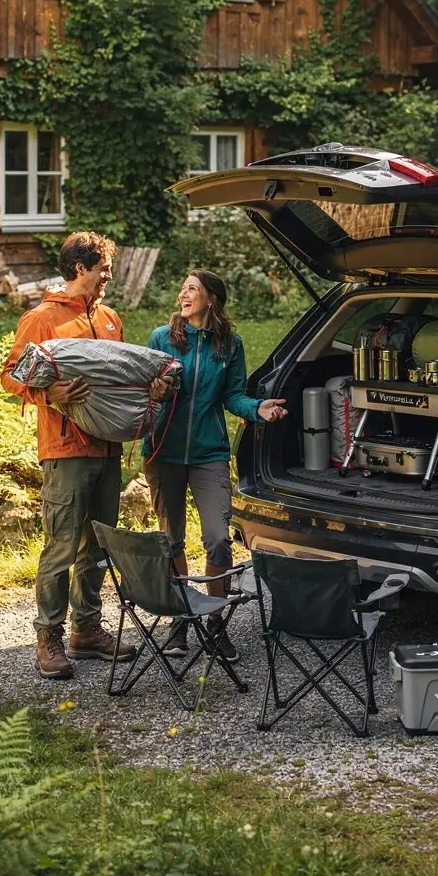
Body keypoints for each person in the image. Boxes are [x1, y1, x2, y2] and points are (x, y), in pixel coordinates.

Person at [1, 229, 137, 680]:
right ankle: (48, 637)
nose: (108, 277)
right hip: (65, 450)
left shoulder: (112, 319)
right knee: (62, 544)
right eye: (103, 269)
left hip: (108, 447)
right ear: (80, 268)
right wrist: (49, 391)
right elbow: (11, 375)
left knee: (97, 543)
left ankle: (87, 630)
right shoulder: (41, 319)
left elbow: (122, 376)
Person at [144, 269, 287, 663]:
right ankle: (180, 621)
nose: (182, 294)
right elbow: (142, 390)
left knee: (219, 539)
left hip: (209, 454)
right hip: (164, 451)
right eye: (182, 287)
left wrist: (258, 408)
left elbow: (233, 396)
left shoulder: (230, 344)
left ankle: (216, 623)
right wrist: (154, 391)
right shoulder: (162, 338)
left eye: (191, 289)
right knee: (171, 539)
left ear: (211, 298)